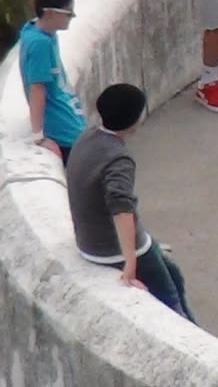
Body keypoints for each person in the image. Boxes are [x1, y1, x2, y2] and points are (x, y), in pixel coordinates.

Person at [66, 83, 195, 322]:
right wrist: (130, 265)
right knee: (170, 301)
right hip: (112, 250)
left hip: (90, 239)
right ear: (135, 118)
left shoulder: (87, 137)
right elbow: (122, 209)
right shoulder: (118, 159)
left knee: (174, 274)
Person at [19, 0, 86, 163]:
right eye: (68, 13)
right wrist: (39, 136)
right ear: (49, 12)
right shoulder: (40, 44)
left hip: (70, 126)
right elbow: (37, 89)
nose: (72, 17)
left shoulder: (38, 32)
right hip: (63, 134)